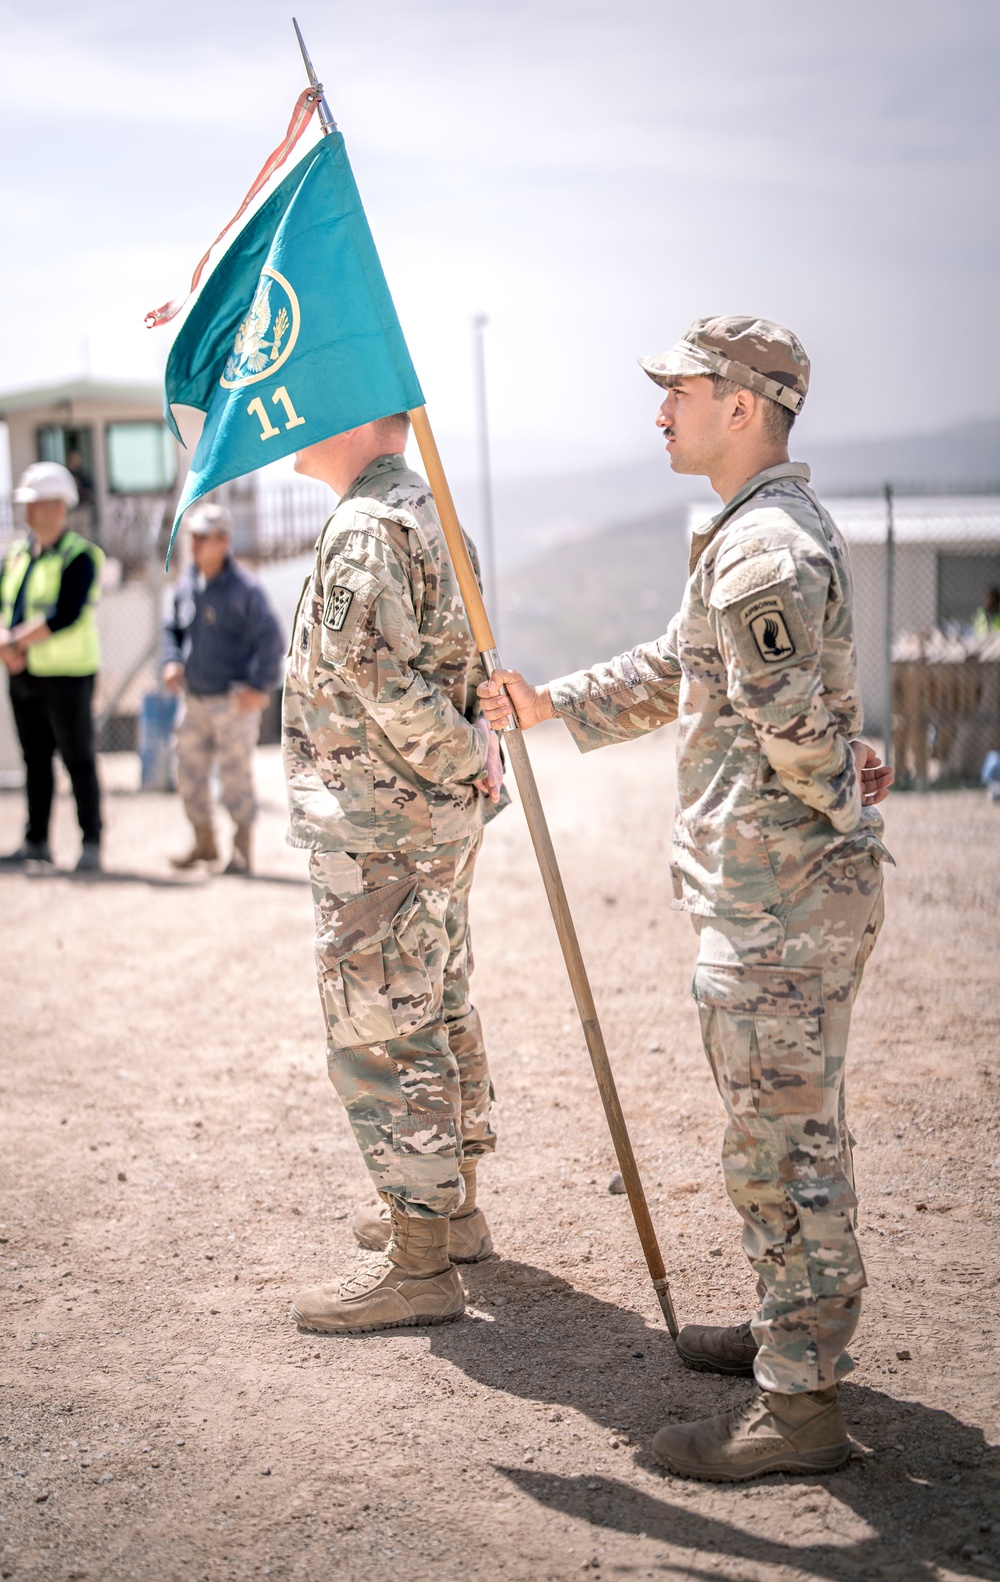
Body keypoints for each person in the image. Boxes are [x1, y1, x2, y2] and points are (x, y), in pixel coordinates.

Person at [478, 316, 895, 1481]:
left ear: (744, 407)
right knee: (784, 1135)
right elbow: (683, 668)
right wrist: (545, 702)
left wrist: (840, 789)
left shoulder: (762, 550)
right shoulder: (749, 535)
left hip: (778, 904)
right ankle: (787, 1336)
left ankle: (802, 1404)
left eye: (682, 391)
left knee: (782, 1150)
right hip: (780, 895)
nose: (661, 410)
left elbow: (796, 731)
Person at [281, 412, 505, 1336]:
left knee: (383, 1025)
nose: (287, 413)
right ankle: (452, 1213)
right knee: (439, 1000)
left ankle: (418, 1262)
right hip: (424, 820)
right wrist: (471, 760)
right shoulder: (425, 510)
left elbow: (376, 679)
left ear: (356, 414)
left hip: (384, 822)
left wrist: (464, 754)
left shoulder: (368, 526)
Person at [162, 503, 285, 875]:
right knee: (188, 772)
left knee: (235, 777)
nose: (196, 545)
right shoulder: (189, 583)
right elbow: (172, 629)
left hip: (233, 702)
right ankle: (204, 842)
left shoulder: (244, 589)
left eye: (203, 538)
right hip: (195, 698)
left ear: (224, 542)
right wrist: (171, 660)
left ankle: (242, 849)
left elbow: (273, 639)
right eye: (193, 537)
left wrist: (260, 687)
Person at [0, 461, 105, 872]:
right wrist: (7, 647)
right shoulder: (16, 555)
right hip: (23, 673)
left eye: (37, 504)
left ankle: (91, 842)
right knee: (35, 760)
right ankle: (36, 840)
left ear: (59, 507)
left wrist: (12, 642)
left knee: (78, 759)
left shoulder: (81, 556)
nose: (28, 512)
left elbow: (66, 613)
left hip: (68, 675)